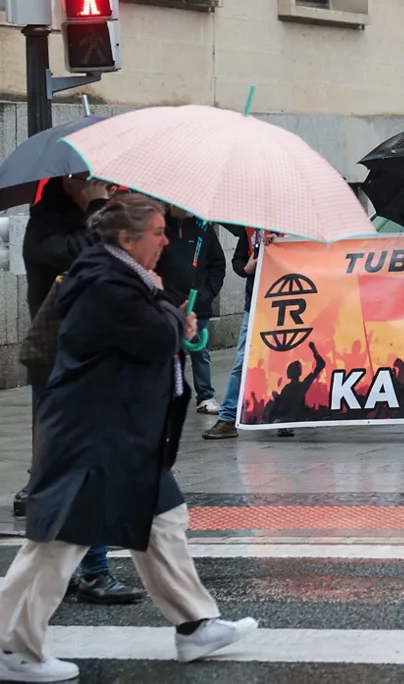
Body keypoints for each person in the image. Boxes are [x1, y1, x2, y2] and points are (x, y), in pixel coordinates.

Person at [0, 194, 256, 682]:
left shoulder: (122, 276)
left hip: (124, 433)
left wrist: (165, 308)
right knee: (60, 540)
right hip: (94, 433)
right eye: (156, 233)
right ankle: (13, 645)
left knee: (163, 522)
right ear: (126, 239)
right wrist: (172, 315)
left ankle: (196, 625)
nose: (165, 240)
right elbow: (155, 339)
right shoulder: (105, 282)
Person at [15, 176, 145, 606]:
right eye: (88, 180)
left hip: (95, 360)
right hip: (59, 365)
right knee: (76, 470)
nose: (100, 186)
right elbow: (87, 259)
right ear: (67, 184)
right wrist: (95, 211)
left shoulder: (99, 220)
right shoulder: (44, 228)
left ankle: (76, 571)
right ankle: (89, 571)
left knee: (80, 470)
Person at [203, 229, 278, 440]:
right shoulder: (251, 229)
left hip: (287, 300)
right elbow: (238, 261)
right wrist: (247, 268)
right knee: (242, 361)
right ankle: (228, 417)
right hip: (254, 302)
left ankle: (284, 417)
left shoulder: (294, 228)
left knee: (282, 359)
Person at [155, 207, 226, 413]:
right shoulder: (160, 226)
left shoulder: (203, 228)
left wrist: (208, 293)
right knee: (167, 351)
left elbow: (217, 264)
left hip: (197, 302)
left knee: (200, 351)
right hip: (167, 303)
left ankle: (205, 396)